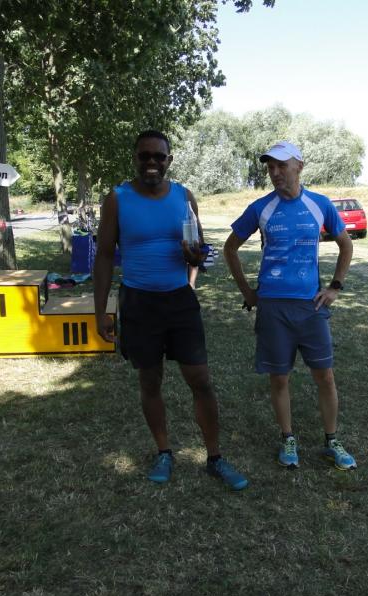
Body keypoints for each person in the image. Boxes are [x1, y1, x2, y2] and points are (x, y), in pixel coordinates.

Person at [93, 130, 248, 491]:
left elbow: (199, 249)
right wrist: (101, 312)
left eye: (159, 156)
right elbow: (103, 256)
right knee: (150, 381)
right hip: (138, 303)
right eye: (144, 156)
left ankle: (215, 457)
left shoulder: (184, 197)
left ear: (169, 160)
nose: (152, 162)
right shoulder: (117, 199)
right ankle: (164, 452)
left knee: (201, 380)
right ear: (135, 158)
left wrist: (196, 258)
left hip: (179, 301)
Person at [223, 141, 357, 471]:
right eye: (270, 167)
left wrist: (335, 287)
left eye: (282, 165)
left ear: (299, 166)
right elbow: (230, 248)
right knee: (279, 379)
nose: (275, 172)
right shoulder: (261, 208)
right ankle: (288, 438)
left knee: (325, 376)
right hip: (273, 308)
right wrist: (248, 292)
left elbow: (346, 245)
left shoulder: (320, 204)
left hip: (311, 307)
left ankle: (331, 440)